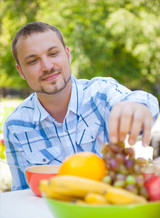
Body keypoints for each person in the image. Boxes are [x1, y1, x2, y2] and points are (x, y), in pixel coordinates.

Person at [3, 22, 159, 191]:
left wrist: (137, 105)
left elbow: (134, 102)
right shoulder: (15, 126)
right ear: (21, 72)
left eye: (53, 53)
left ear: (68, 55)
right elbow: (23, 193)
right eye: (33, 61)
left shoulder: (100, 94)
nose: (47, 66)